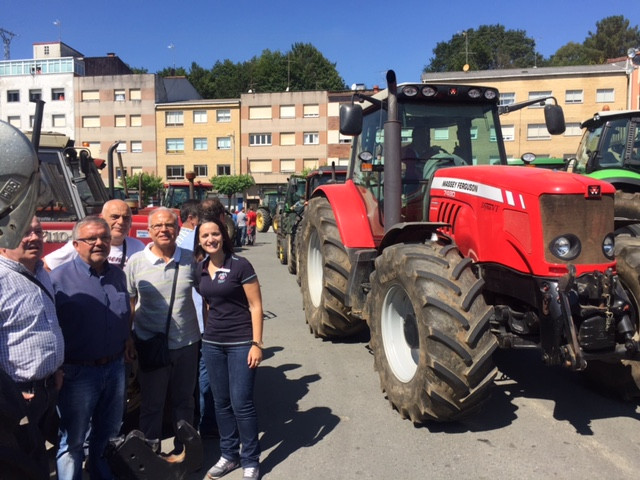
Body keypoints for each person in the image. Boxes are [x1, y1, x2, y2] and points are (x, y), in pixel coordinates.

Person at [50, 216, 132, 480]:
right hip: (78, 374)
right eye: (91, 239)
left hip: (115, 368)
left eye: (104, 238)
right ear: (76, 244)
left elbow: (123, 315)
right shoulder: (58, 280)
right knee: (73, 441)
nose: (99, 243)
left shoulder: (118, 276)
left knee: (107, 433)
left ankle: (99, 473)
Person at [125, 207, 200, 459]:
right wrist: (128, 338)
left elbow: (208, 296)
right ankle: (149, 453)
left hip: (187, 343)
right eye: (157, 226)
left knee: (184, 401)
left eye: (168, 225)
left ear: (178, 230)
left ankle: (185, 451)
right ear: (149, 230)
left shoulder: (191, 259)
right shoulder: (135, 262)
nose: (163, 230)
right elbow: (130, 303)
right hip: (150, 344)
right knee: (151, 404)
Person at [195, 216, 263, 480]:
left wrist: (256, 343)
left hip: (241, 343)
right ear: (199, 241)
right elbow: (209, 305)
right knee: (221, 403)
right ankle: (229, 455)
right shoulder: (200, 268)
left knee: (241, 403)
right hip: (212, 344)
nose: (210, 239)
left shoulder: (240, 265)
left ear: (223, 236)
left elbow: (256, 306)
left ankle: (251, 460)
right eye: (204, 236)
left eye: (214, 234)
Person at [0, 216, 65, 479]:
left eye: (38, 231)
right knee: (23, 466)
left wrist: (56, 368)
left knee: (38, 456)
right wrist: (8, 396)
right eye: (25, 232)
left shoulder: (41, 273)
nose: (34, 238)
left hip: (47, 388)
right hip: (17, 395)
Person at [177, 198, 226, 440]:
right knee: (207, 373)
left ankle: (188, 423)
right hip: (204, 320)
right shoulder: (209, 244)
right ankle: (207, 424)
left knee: (190, 375)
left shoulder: (181, 240)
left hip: (185, 320)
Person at [44, 199, 145, 270]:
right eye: (115, 217)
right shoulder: (81, 244)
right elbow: (46, 266)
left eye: (126, 218)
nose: (121, 222)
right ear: (102, 218)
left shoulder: (138, 247)